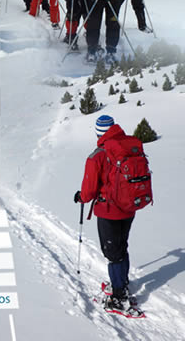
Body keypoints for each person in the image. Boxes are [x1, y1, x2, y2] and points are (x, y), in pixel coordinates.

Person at [74, 115, 143, 313]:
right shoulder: (128, 145)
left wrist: (81, 197)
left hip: (110, 211)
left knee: (113, 253)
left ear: (98, 132)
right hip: (129, 207)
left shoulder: (98, 155)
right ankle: (122, 281)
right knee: (121, 246)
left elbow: (88, 191)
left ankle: (119, 296)